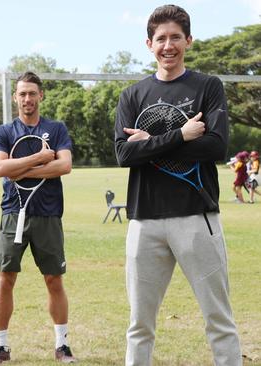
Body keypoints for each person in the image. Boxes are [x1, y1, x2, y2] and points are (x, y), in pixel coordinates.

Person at [114, 5, 242, 366]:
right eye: (160, 39)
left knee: (219, 319)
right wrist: (181, 135)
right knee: (140, 324)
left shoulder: (207, 87)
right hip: (145, 220)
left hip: (196, 217)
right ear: (148, 44)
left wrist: (149, 142)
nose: (168, 45)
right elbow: (124, 154)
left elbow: (216, 147)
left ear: (188, 40)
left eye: (175, 37)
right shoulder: (131, 96)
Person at [0, 71, 76, 365]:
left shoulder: (56, 128)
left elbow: (64, 166)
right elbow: (0, 169)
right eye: (22, 94)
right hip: (13, 213)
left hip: (48, 214)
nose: (27, 99)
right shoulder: (3, 131)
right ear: (15, 97)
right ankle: (1, 347)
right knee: (5, 279)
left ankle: (62, 345)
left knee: (54, 280)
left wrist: (19, 169)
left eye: (32, 93)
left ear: (41, 96)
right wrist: (40, 158)